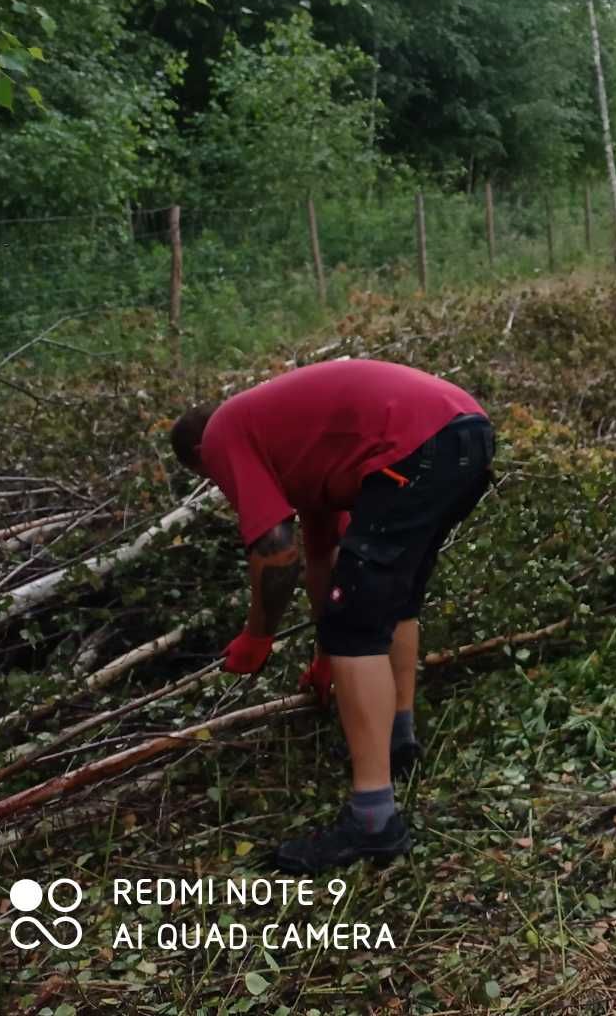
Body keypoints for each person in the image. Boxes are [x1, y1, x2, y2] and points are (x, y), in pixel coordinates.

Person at [169, 359, 494, 872]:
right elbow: (322, 557)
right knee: (391, 597)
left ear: (200, 459)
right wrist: (323, 656)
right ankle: (397, 739)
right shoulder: (295, 446)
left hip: (419, 443)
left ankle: (373, 823)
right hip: (465, 431)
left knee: (356, 627)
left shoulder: (221, 435)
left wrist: (259, 636)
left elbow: (277, 553)